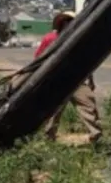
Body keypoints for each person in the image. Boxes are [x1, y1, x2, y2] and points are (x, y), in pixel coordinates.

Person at [38, 11, 102, 142]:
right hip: (55, 79)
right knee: (53, 111)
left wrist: (90, 79)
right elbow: (38, 59)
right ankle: (48, 138)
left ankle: (95, 135)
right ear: (60, 24)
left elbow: (87, 61)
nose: (68, 24)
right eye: (65, 21)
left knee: (88, 105)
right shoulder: (50, 38)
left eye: (71, 21)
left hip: (76, 79)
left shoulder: (80, 39)